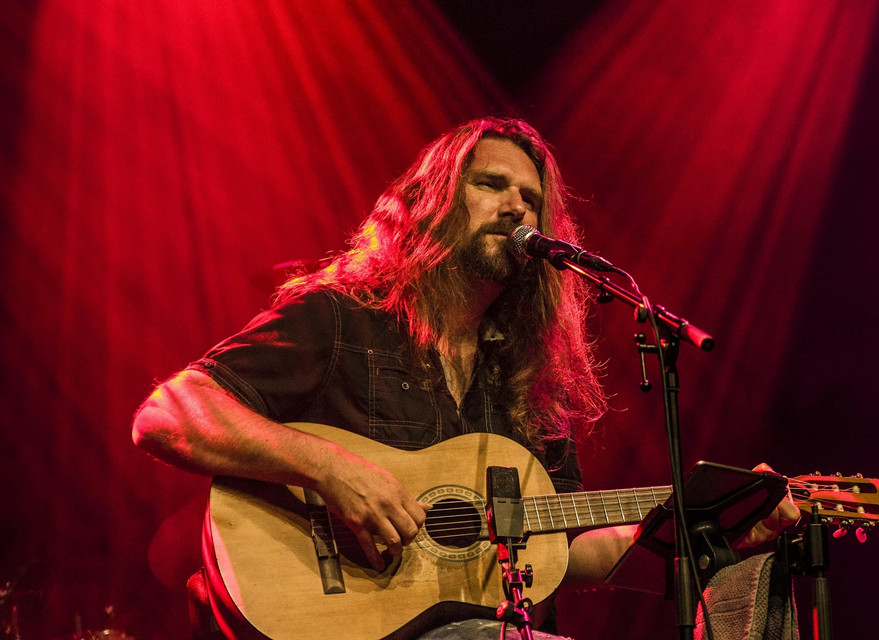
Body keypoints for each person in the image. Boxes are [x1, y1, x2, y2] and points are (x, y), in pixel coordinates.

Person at [132, 117, 798, 639]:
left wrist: (713, 526)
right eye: (490, 185)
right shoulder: (339, 316)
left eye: (531, 197)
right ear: (431, 203)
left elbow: (565, 549)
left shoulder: (532, 378)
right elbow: (169, 414)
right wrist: (330, 468)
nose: (516, 207)